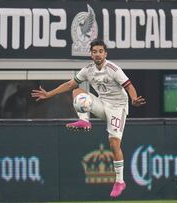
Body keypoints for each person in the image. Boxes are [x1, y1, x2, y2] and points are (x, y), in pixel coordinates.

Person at [31, 39, 146, 198]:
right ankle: (85, 120)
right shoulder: (88, 70)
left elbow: (129, 85)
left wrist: (134, 99)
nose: (97, 54)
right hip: (102, 104)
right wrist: (49, 94)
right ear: (91, 54)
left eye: (100, 51)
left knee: (113, 144)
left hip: (118, 108)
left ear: (105, 53)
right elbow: (70, 84)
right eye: (94, 51)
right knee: (77, 91)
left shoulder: (113, 68)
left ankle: (120, 181)